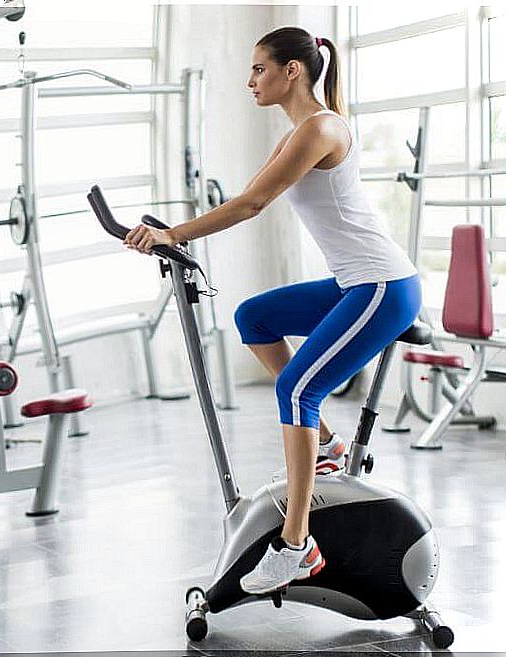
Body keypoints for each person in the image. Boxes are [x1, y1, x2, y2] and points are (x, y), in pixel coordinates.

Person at [123, 27, 420, 595]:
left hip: (383, 286)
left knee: (297, 390)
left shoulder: (322, 129)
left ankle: (296, 545)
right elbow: (244, 196)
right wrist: (170, 230)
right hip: (353, 283)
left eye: (259, 68)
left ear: (292, 71)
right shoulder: (300, 131)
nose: (249, 80)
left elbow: (253, 204)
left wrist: (173, 235)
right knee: (254, 318)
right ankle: (329, 448)